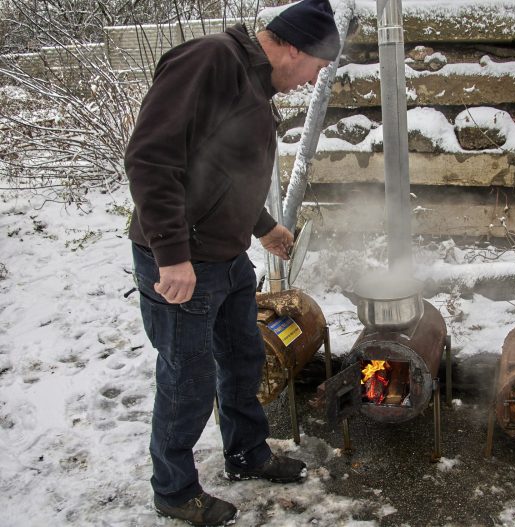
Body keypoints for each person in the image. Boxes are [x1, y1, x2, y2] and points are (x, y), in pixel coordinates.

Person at [125, 0, 340, 524]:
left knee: (245, 359)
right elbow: (150, 158)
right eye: (315, 67)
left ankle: (247, 452)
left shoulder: (254, 85)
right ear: (292, 47)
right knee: (188, 378)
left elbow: (223, 172)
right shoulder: (210, 61)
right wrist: (171, 256)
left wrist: (265, 227)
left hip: (225, 255)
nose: (312, 80)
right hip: (182, 261)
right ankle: (174, 490)